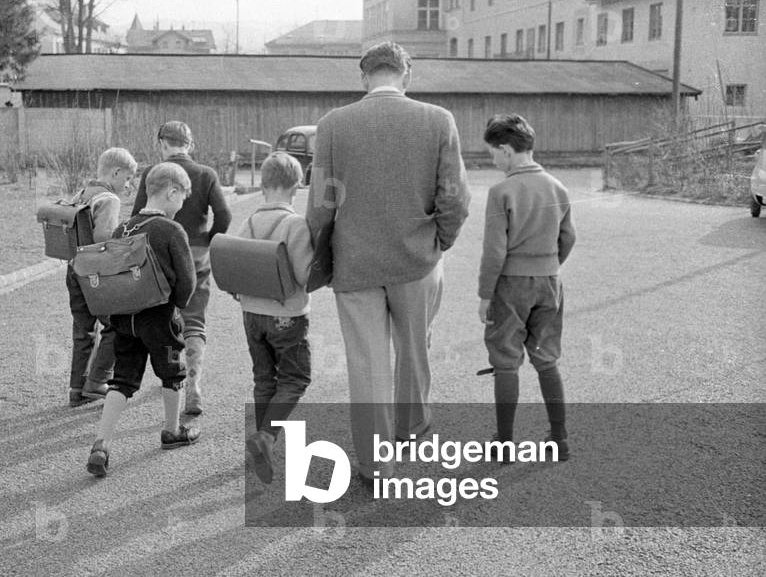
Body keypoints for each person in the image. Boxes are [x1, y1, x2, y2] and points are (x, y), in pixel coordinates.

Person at [305, 41, 471, 487]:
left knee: (367, 363)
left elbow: (321, 205)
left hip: (355, 263)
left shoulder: (333, 125)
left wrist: (321, 258)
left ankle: (376, 466)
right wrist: (441, 240)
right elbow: (454, 197)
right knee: (415, 348)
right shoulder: (438, 120)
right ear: (407, 75)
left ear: (363, 77)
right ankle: (412, 427)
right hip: (418, 259)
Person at [86, 162, 199, 478]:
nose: (180, 207)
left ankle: (101, 444)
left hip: (125, 319)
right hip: (159, 318)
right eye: (180, 199)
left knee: (122, 379)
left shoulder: (124, 228)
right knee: (172, 372)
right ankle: (171, 431)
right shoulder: (171, 230)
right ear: (171, 191)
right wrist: (177, 306)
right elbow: (187, 282)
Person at [477, 114, 575, 459]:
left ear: (506, 150)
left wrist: (485, 295)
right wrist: (548, 266)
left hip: (510, 286)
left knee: (506, 361)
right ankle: (559, 439)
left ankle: (504, 444)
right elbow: (569, 237)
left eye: (493, 154)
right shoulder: (557, 186)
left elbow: (494, 251)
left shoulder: (501, 191)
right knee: (547, 359)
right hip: (550, 281)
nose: (493, 161)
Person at [132, 121, 231, 416]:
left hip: (159, 254)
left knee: (162, 316)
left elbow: (139, 215)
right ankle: (193, 384)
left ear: (163, 143)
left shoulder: (153, 173)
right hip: (196, 253)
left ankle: (169, 374)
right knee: (195, 320)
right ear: (189, 144)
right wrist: (208, 241)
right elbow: (223, 215)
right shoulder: (206, 174)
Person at [237, 153, 315, 484]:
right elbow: (305, 274)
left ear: (265, 184)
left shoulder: (248, 222)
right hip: (286, 315)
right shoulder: (295, 224)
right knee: (295, 379)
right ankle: (266, 437)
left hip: (252, 314)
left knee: (263, 377)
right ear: (295, 186)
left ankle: (262, 441)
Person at [65, 147, 138, 407]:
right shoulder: (109, 199)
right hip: (96, 273)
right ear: (116, 172)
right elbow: (103, 239)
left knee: (83, 330)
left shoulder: (81, 194)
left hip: (74, 269)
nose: (127, 184)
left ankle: (77, 387)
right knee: (116, 325)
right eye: (127, 178)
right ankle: (98, 381)